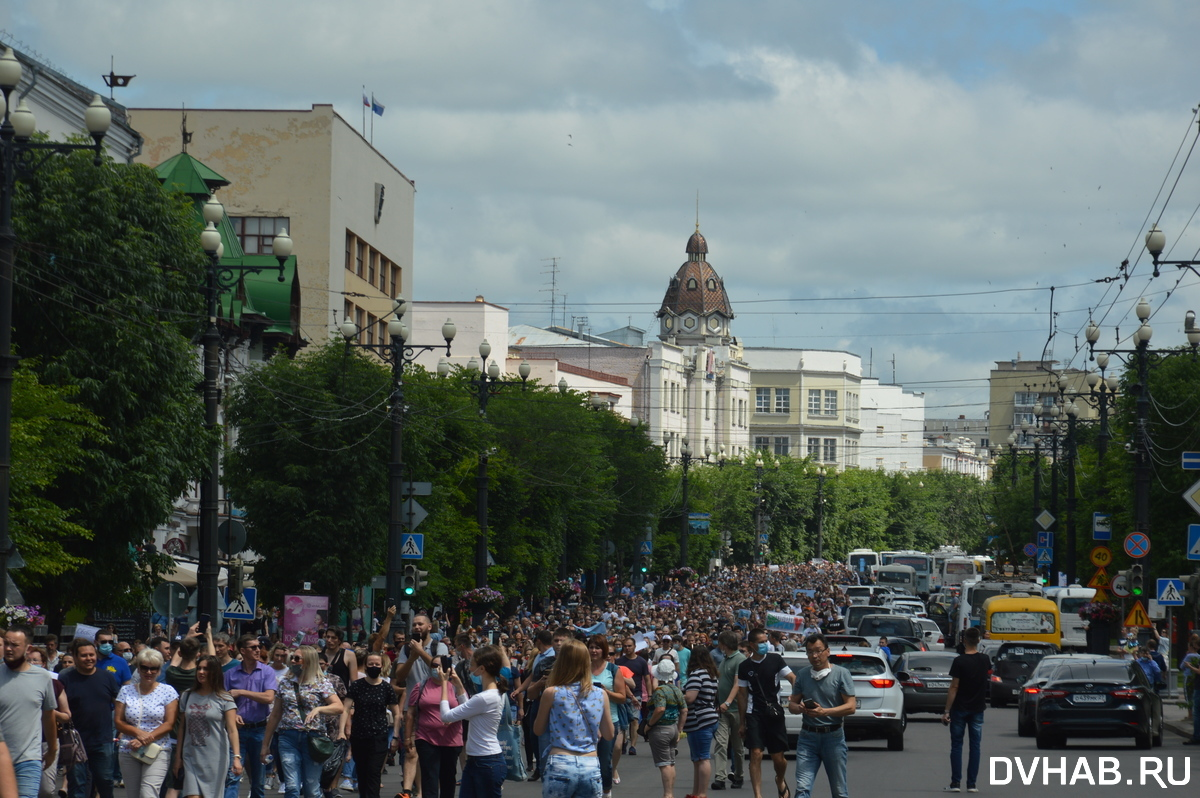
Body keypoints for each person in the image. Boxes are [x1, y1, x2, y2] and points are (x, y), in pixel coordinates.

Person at [533, 639, 613, 798]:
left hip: (560, 760)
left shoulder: (552, 693)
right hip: (590, 762)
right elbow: (609, 734)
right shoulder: (600, 694)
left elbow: (538, 729)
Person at [260, 645, 343, 798]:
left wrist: (319, 709)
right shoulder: (286, 682)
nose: (292, 661)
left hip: (313, 739)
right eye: (292, 658)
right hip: (287, 737)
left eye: (297, 658)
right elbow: (275, 714)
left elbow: (338, 707)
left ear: (308, 661)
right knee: (291, 787)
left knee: (311, 789)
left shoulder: (321, 682)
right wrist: (265, 744)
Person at [729, 628, 795, 798]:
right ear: (751, 645)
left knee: (778, 758)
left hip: (774, 712)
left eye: (766, 641)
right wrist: (742, 723)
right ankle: (757, 795)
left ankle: (780, 779)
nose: (765, 644)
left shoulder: (775, 660)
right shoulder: (744, 666)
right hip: (754, 713)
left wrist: (797, 698)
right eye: (761, 642)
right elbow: (742, 695)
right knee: (756, 753)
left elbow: (792, 678)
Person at [789, 633, 856, 798]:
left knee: (839, 791)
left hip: (833, 737)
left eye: (818, 651)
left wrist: (824, 711)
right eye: (810, 652)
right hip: (807, 738)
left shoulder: (841, 674)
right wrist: (801, 708)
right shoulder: (803, 675)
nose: (814, 656)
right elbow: (792, 705)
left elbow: (851, 707)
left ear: (827, 651)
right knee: (802, 788)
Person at [438, 645, 507, 798]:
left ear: (482, 669)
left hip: (486, 762)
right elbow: (469, 713)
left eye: (472, 665)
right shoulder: (493, 694)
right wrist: (459, 686)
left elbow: (446, 716)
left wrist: (444, 684)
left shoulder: (484, 697)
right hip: (480, 760)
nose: (469, 669)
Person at [0, 624, 57, 798]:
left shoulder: (43, 677)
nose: (9, 649)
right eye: (6, 644)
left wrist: (52, 749)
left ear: (28, 647)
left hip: (28, 758)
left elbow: (48, 716)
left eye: (15, 645)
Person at [59, 637, 119, 798]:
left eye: (91, 655)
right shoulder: (65, 678)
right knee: (77, 784)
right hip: (75, 741)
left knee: (105, 781)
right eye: (84, 655)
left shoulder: (107, 677)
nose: (89, 658)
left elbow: (119, 704)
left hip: (102, 739)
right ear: (76, 658)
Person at [115, 649, 179, 798]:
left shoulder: (167, 691)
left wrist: (146, 738)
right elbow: (118, 721)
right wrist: (139, 735)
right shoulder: (126, 690)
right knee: (133, 795)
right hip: (129, 748)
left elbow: (169, 723)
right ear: (138, 668)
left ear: (159, 670)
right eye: (144, 667)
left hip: (157, 749)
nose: (149, 672)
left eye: (153, 668)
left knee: (148, 794)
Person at [174, 655, 241, 798]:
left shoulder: (224, 698)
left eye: (206, 669)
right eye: (199, 668)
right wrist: (178, 757)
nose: (201, 672)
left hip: (215, 758)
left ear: (215, 672)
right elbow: (182, 728)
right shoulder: (187, 695)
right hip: (190, 755)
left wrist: (236, 757)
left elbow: (232, 730)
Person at [337, 652, 398, 798]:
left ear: (382, 666)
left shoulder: (386, 688)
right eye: (371, 664)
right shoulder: (357, 686)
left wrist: (395, 735)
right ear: (365, 666)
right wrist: (341, 731)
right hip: (359, 736)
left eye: (377, 664)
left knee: (374, 772)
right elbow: (345, 709)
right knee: (362, 772)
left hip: (379, 736)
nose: (374, 667)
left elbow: (397, 713)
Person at [224, 635, 278, 798]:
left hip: (259, 730)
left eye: (259, 646)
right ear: (242, 651)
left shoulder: (267, 671)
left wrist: (241, 692)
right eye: (253, 647)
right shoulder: (230, 674)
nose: (258, 649)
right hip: (236, 731)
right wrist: (232, 716)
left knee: (258, 781)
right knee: (233, 777)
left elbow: (269, 697)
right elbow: (222, 700)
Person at [405, 653, 462, 798]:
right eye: (434, 666)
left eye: (440, 666)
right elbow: (411, 713)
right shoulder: (421, 686)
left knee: (448, 779)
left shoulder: (455, 686)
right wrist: (407, 738)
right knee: (429, 778)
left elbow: (466, 708)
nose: (437, 669)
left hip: (451, 740)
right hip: (426, 738)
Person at [941, 626, 990, 793]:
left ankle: (955, 783)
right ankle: (972, 784)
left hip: (960, 708)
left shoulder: (959, 661)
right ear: (978, 641)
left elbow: (954, 687)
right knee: (975, 746)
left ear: (964, 641)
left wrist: (947, 710)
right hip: (978, 708)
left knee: (957, 745)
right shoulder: (985, 660)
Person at [588, 635, 626, 798]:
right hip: (586, 722)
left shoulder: (613, 669)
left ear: (604, 650)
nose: (594, 651)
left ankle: (606, 792)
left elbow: (622, 697)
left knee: (604, 762)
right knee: (587, 762)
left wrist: (605, 691)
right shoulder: (582, 668)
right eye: (591, 647)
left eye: (597, 647)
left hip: (609, 720)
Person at [683, 647, 720, 798]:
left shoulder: (697, 675)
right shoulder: (711, 675)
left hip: (699, 719)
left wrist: (678, 694)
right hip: (709, 717)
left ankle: (701, 793)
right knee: (698, 759)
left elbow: (690, 697)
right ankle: (696, 792)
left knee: (702, 758)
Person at [647, 659, 686, 798]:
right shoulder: (677, 690)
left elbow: (660, 708)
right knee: (670, 762)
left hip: (661, 728)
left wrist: (649, 724)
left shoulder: (660, 691)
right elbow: (684, 710)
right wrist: (680, 729)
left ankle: (668, 794)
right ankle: (670, 793)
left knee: (664, 764)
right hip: (673, 727)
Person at [710, 630, 744, 792]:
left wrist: (728, 702)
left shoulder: (740, 660)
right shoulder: (724, 660)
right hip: (723, 709)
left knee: (737, 746)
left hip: (737, 709)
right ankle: (720, 777)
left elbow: (738, 684)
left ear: (724, 644)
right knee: (721, 744)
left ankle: (738, 775)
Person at [615, 636, 654, 756]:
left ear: (635, 647)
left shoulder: (641, 661)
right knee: (623, 721)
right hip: (622, 693)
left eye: (629, 646)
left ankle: (633, 746)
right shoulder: (619, 661)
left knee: (634, 720)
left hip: (637, 694)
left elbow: (647, 679)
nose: (627, 648)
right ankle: (624, 741)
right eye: (625, 646)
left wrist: (649, 695)